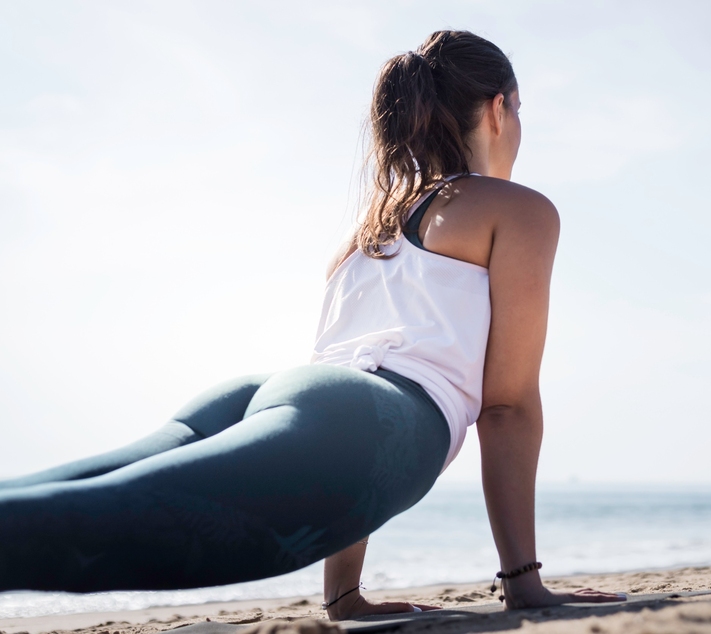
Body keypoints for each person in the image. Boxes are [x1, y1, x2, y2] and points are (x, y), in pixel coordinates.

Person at [0, 31, 623, 620]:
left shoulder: (365, 234)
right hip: (360, 413)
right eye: (521, 111)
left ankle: (344, 589)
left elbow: (354, 389)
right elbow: (507, 406)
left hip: (273, 394)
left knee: (74, 493)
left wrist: (344, 596)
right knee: (82, 529)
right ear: (498, 109)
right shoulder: (518, 211)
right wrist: (523, 582)